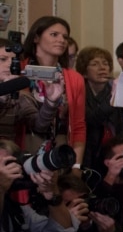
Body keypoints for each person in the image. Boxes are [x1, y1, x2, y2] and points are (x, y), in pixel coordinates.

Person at [20, 15, 86, 165]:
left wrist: (76, 166)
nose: (61, 40)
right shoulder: (20, 70)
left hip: (59, 150)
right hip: (24, 147)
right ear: (36, 38)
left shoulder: (74, 78)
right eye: (54, 35)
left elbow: (78, 126)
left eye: (65, 37)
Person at [78, 46, 123, 169]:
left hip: (115, 149)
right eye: (95, 64)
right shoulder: (79, 92)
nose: (102, 68)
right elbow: (92, 119)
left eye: (105, 64)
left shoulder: (115, 88)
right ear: (84, 72)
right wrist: (113, 97)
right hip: (87, 152)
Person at [0, 38, 64, 142]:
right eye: (3, 59)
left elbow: (39, 126)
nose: (9, 64)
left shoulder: (19, 98)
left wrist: (51, 102)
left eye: (13, 60)